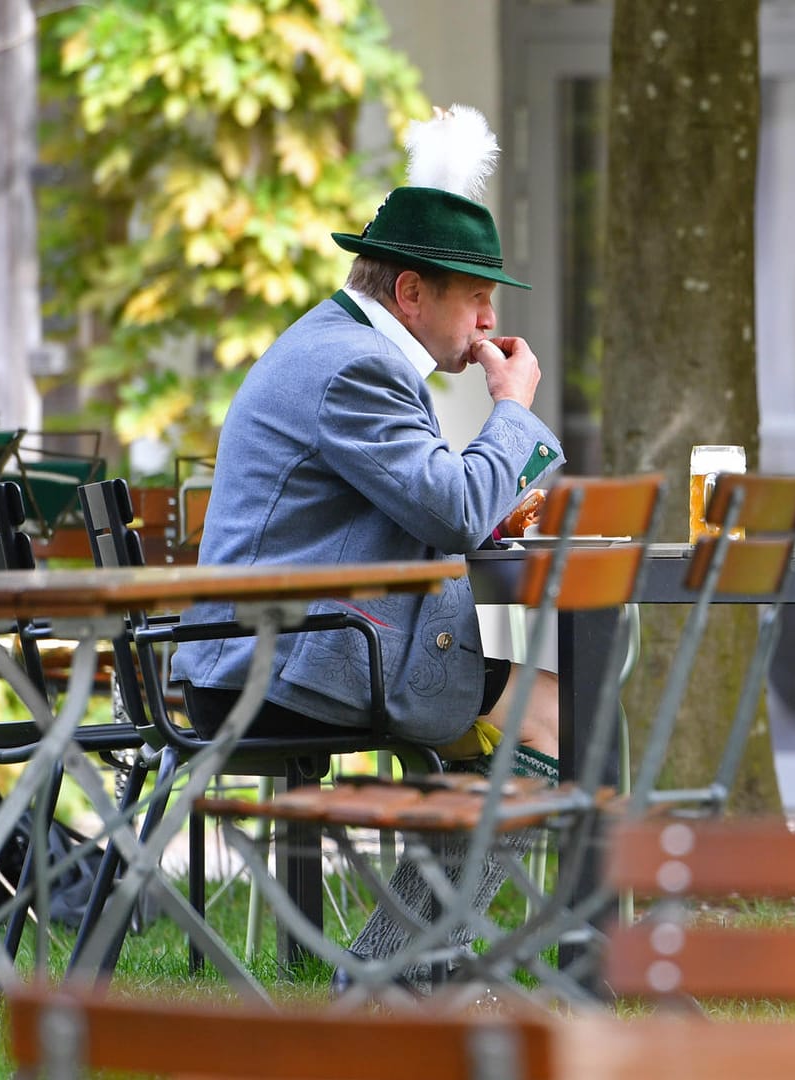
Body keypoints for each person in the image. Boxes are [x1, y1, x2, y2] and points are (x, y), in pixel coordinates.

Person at [169, 105, 563, 989]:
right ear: (411, 295)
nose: (490, 317)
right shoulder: (359, 364)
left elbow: (415, 502)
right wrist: (516, 411)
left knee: (528, 720)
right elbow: (455, 510)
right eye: (476, 295)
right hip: (283, 667)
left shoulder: (342, 346)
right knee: (551, 720)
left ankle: (422, 959)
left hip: (290, 647)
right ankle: (395, 971)